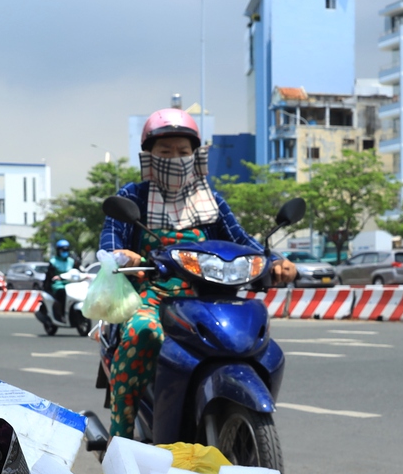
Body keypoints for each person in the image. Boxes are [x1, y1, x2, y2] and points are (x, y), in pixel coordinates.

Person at [98, 108, 291, 440]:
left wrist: (275, 262)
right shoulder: (134, 196)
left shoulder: (211, 200)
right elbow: (111, 241)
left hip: (208, 299)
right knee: (141, 333)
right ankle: (122, 436)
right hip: (152, 297)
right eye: (165, 151)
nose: (175, 159)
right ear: (149, 155)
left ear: (195, 155)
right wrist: (121, 255)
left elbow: (242, 241)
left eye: (183, 151)